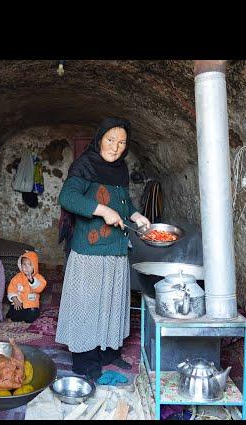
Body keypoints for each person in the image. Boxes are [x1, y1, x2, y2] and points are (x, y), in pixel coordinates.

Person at [55, 117, 151, 381]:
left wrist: (136, 216)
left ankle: (108, 352)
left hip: (116, 249)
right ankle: (85, 360)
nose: (116, 147)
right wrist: (102, 210)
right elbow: (68, 198)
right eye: (110, 140)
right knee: (88, 305)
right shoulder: (84, 165)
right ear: (99, 140)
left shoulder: (121, 169)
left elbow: (123, 203)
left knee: (111, 302)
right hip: (90, 251)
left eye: (122, 142)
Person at [6, 251, 47, 323]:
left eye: (29, 265)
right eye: (24, 264)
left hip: (31, 304)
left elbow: (40, 288)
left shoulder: (39, 278)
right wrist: (15, 299)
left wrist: (32, 281)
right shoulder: (17, 277)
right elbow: (11, 289)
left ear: (34, 266)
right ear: (20, 265)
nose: (26, 267)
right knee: (14, 314)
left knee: (31, 318)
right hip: (19, 303)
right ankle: (13, 315)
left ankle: (28, 316)